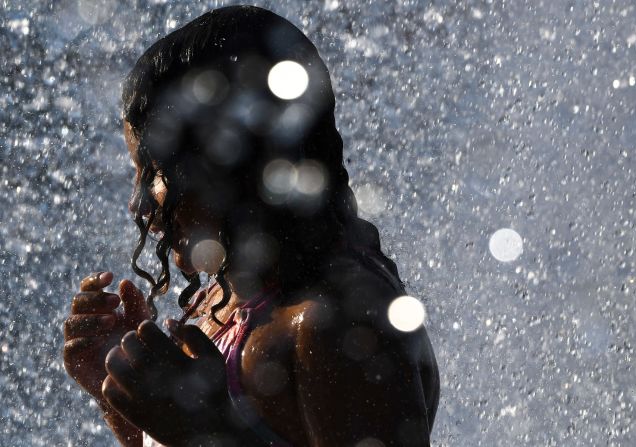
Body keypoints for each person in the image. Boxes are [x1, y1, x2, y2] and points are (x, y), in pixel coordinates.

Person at [62, 5, 439, 446]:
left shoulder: (339, 326)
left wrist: (205, 430)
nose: (139, 203)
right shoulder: (224, 305)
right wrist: (123, 395)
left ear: (225, 157)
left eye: (153, 170)